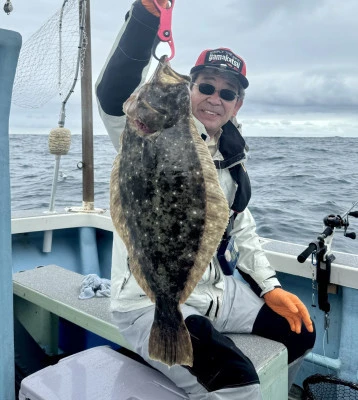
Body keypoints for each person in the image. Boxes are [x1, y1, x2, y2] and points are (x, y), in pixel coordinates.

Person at [95, 1, 316, 399]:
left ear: (237, 103)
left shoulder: (231, 156)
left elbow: (240, 228)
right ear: (191, 89)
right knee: (237, 382)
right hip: (149, 299)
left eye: (227, 91)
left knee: (298, 334)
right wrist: (146, 18)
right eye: (207, 86)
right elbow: (112, 93)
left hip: (218, 293)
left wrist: (269, 287)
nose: (216, 98)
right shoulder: (146, 133)